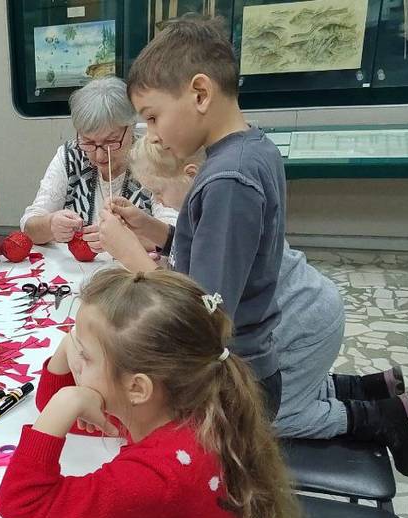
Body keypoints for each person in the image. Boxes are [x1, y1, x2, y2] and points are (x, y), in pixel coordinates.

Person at [128, 138, 408, 457]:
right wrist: (147, 227)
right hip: (309, 311)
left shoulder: (224, 202)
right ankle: (368, 387)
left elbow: (199, 306)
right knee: (293, 382)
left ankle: (384, 416)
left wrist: (132, 257)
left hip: (303, 324)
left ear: (190, 174)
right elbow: (194, 252)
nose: (156, 198)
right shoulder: (209, 204)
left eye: (158, 191)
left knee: (266, 418)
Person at [0, 268, 299, 518]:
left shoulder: (158, 474)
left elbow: (24, 502)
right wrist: (71, 345)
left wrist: (65, 402)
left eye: (85, 356)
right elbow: (51, 405)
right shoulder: (179, 405)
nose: (77, 360)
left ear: (137, 387)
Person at [98, 16, 285, 416]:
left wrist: (131, 256)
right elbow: (220, 256)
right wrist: (155, 231)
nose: (152, 135)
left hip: (230, 386)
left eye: (152, 117)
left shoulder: (229, 179)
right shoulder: (250, 151)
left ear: (200, 94)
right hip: (238, 371)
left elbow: (203, 315)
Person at [20, 76, 176, 247]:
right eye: (88, 142)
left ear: (131, 127)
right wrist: (50, 225)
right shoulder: (71, 156)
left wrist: (122, 238)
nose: (100, 156)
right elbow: (29, 225)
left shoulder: (153, 157)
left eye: (111, 142)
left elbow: (176, 237)